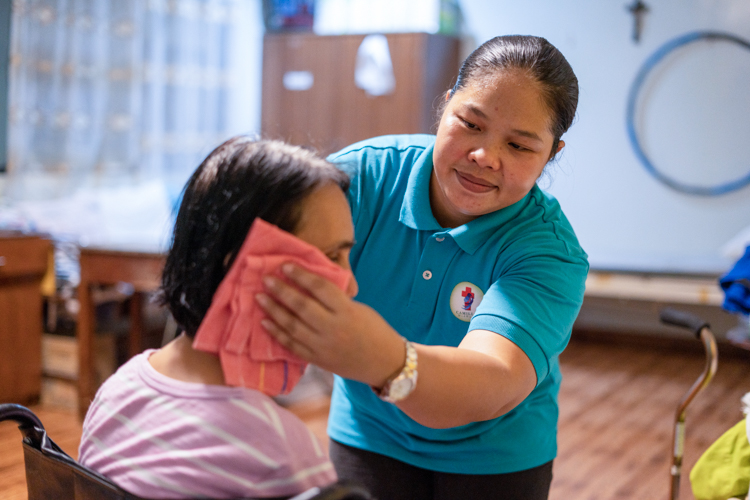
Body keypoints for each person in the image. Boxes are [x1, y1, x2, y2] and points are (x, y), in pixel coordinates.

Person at [256, 35, 589, 499]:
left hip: (495, 455)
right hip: (369, 432)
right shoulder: (360, 181)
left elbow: (490, 380)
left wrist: (379, 355)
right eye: (471, 124)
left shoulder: (547, 252)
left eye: (518, 146)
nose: (484, 157)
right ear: (446, 106)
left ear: (551, 153)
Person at [78, 137, 359, 499]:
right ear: (246, 271)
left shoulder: (117, 391)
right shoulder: (280, 452)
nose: (350, 286)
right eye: (331, 257)